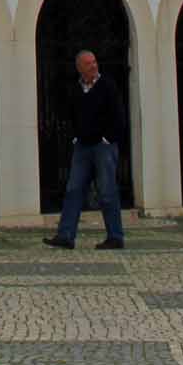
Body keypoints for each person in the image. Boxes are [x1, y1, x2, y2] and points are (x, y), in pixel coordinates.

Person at [47, 49, 126, 250]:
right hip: (83, 146)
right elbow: (69, 113)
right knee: (73, 189)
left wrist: (108, 139)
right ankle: (65, 235)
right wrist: (75, 137)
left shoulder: (107, 85)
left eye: (94, 62)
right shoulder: (76, 89)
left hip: (103, 146)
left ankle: (115, 236)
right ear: (79, 67)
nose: (93, 66)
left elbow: (118, 113)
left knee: (107, 191)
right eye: (89, 63)